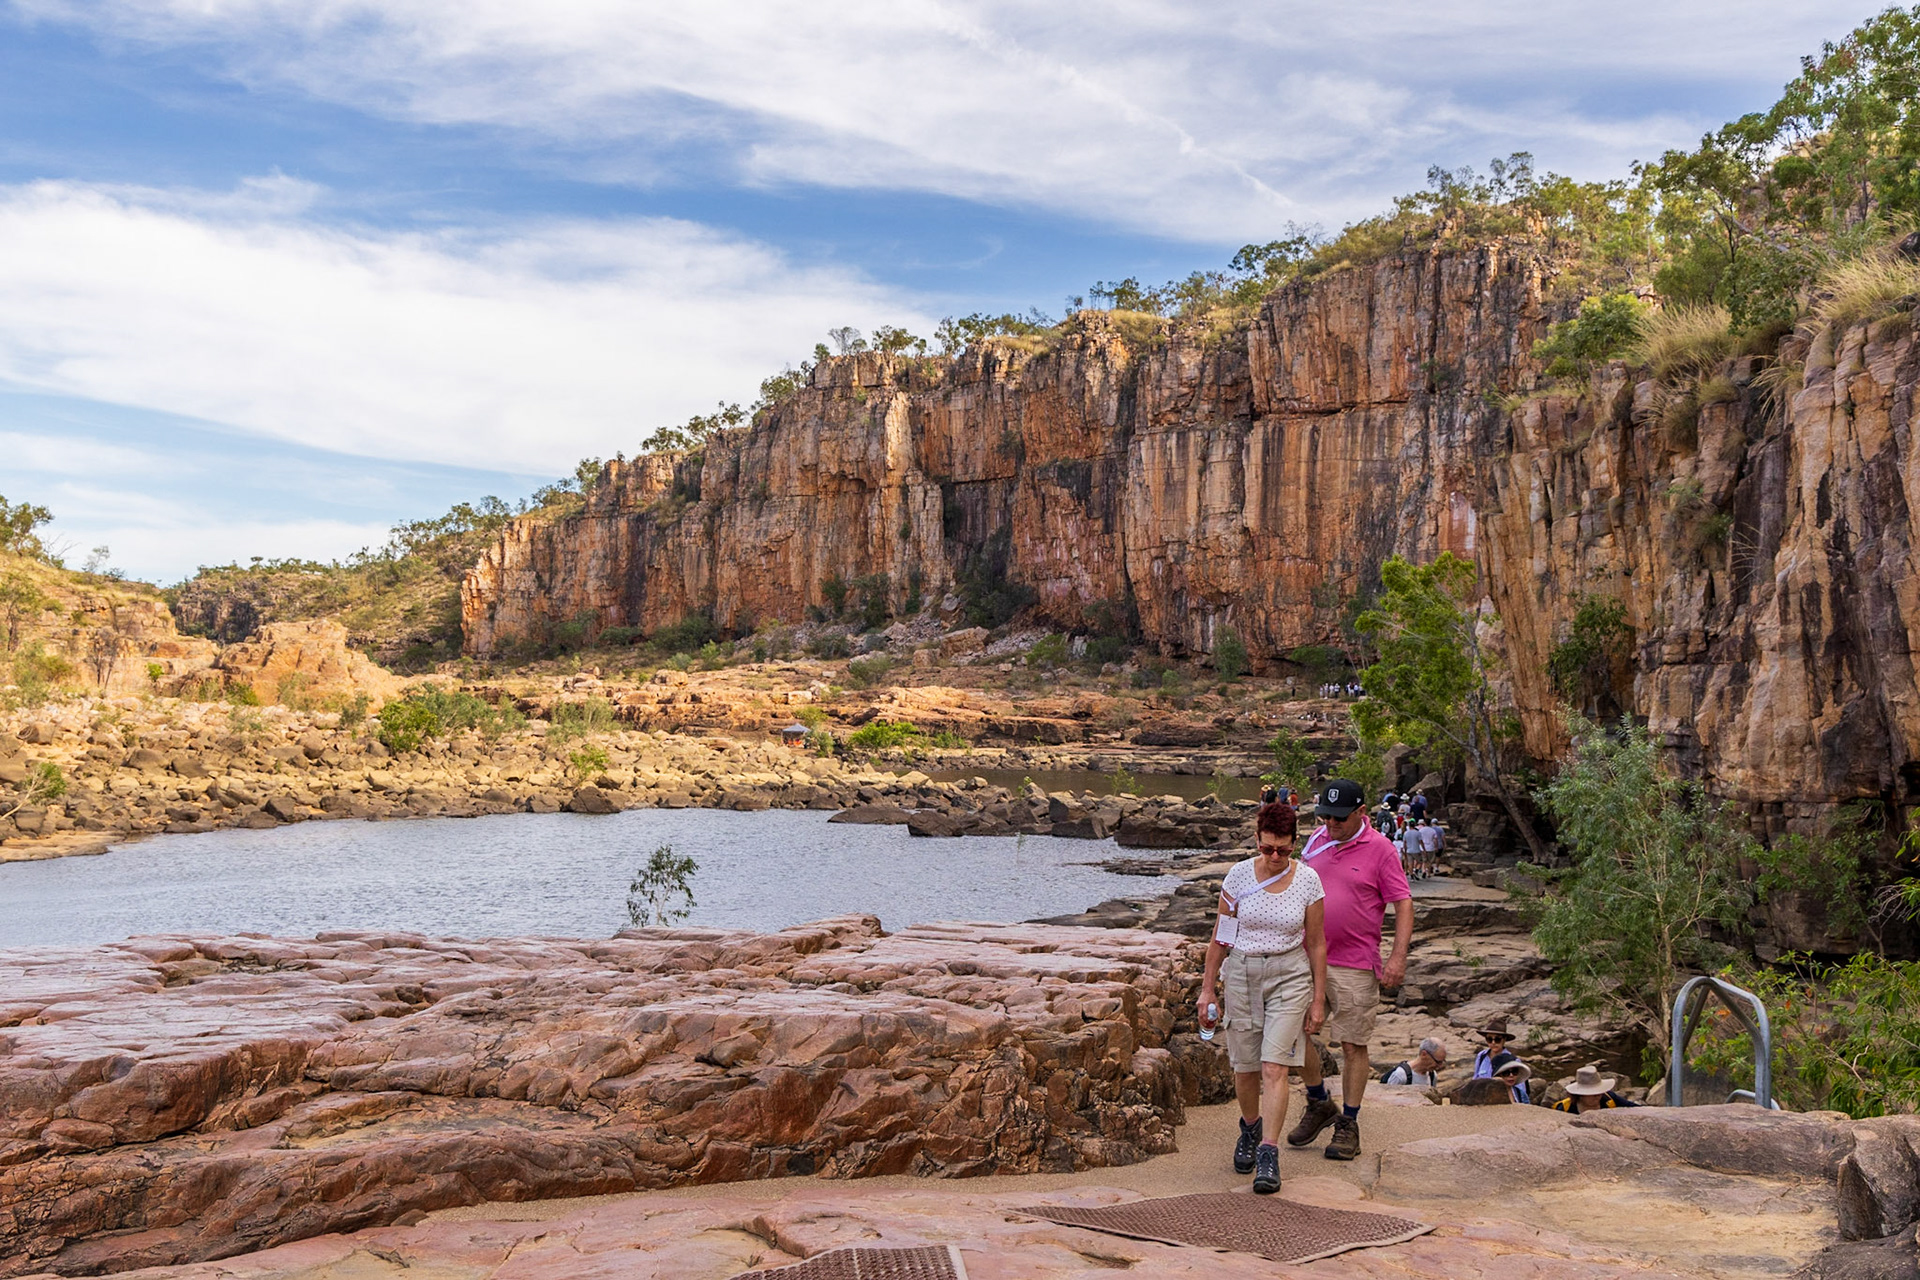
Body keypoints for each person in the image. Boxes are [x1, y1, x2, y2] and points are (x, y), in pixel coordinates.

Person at [1197, 801, 1328, 1195]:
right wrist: (1207, 989)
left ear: (1294, 844)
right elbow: (1221, 936)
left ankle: (1269, 1152)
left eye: (1284, 850)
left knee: (1275, 1066)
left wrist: (1318, 999)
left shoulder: (1308, 881)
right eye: (1268, 848)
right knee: (1246, 1066)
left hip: (1289, 973)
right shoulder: (1237, 877)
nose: (1275, 857)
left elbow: (1317, 943)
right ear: (1257, 839)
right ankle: (1250, 1128)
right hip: (1242, 973)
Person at [1286, 779, 1413, 1161]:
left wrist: (1397, 956)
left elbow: (1403, 904)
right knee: (1290, 1031)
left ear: (1362, 813)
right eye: (1325, 815)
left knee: (1353, 1043)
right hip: (1305, 957)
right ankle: (1320, 1101)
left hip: (1355, 961)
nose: (1331, 823)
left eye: (1339, 817)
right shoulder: (1316, 841)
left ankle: (1349, 1122)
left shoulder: (1382, 850)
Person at [1550, 1064, 1641, 1112]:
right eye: (1593, 1094)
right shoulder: (1565, 1108)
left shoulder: (1609, 1098)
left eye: (1599, 1092)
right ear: (1580, 1095)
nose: (1598, 1096)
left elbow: (1635, 1109)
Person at [1379, 1038, 1448, 1087]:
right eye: (1437, 1062)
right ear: (1424, 1054)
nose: (1440, 1066)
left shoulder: (1432, 1076)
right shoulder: (1401, 1075)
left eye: (1442, 1061)